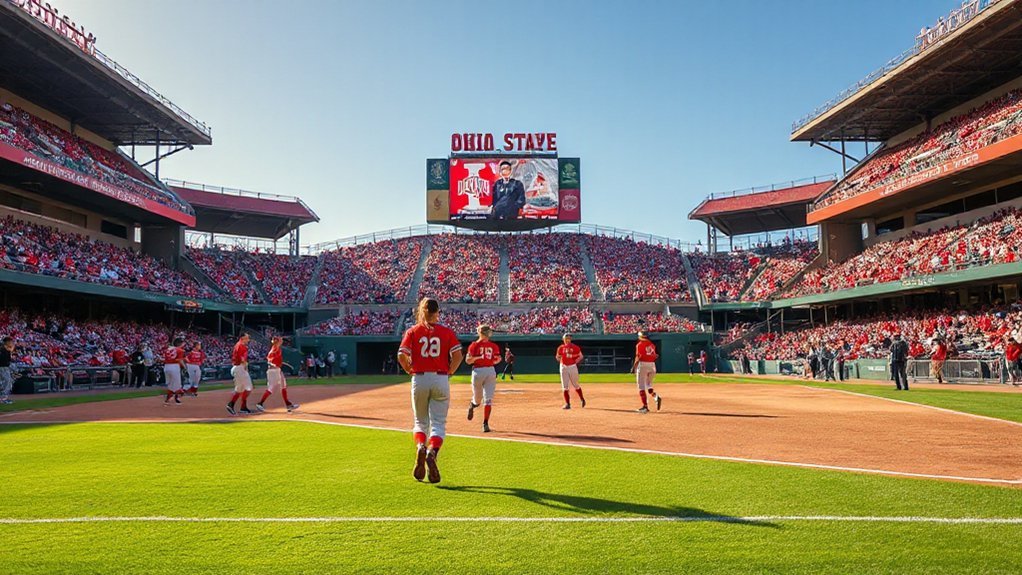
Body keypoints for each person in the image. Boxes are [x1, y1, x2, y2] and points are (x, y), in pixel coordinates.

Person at [397, 298, 463, 484]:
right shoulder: (446, 332)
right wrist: (450, 370)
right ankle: (432, 451)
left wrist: (408, 369)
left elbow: (402, 354)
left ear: (421, 311)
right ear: (437, 312)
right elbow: (458, 355)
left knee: (420, 422)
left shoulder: (413, 331)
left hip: (419, 378)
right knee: (438, 423)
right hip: (440, 378)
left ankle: (420, 446)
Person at [466, 324, 501, 432]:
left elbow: (498, 359)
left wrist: (495, 360)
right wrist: (479, 357)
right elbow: (468, 360)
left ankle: (485, 423)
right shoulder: (474, 345)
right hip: (478, 371)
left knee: (488, 399)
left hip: (490, 371)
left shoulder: (493, 346)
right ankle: (472, 405)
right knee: (477, 399)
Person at [257, 336, 300, 413]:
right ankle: (260, 403)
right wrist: (274, 364)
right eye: (280, 340)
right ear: (277, 341)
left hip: (276, 370)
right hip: (273, 371)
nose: (282, 341)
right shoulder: (275, 349)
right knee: (272, 388)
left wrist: (278, 364)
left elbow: (272, 360)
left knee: (283, 386)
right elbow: (270, 361)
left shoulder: (276, 349)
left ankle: (288, 405)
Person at [630, 331, 662, 413]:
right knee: (648, 385)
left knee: (641, 386)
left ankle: (645, 407)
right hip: (652, 365)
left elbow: (638, 357)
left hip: (643, 364)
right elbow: (656, 356)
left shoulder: (639, 344)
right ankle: (655, 396)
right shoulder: (652, 344)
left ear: (640, 336)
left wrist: (634, 367)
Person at [556, 333, 586, 409]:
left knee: (576, 384)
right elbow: (557, 357)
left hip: (572, 366)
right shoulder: (560, 348)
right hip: (563, 366)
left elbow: (581, 356)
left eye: (569, 338)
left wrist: (574, 362)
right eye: (566, 338)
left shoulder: (575, 347)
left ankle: (582, 399)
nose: (567, 340)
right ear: (563, 339)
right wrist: (562, 362)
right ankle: (567, 404)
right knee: (565, 386)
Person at [226, 333, 254, 415]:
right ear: (242, 338)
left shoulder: (240, 345)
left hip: (239, 368)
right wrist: (245, 365)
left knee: (243, 389)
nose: (248, 340)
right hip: (239, 368)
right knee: (246, 388)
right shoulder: (240, 346)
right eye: (247, 338)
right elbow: (242, 359)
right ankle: (233, 405)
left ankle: (241, 407)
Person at [162, 337, 186, 405]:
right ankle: (177, 398)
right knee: (178, 385)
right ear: (179, 343)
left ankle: (168, 399)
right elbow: (180, 360)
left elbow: (165, 358)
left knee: (170, 384)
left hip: (166, 366)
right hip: (174, 366)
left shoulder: (168, 349)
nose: (183, 344)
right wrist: (184, 367)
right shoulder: (181, 350)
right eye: (182, 343)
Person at [0, 336, 15, 404]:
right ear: (7, 342)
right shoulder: (3, 348)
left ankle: (3, 398)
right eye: (10, 342)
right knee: (7, 382)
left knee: (5, 382)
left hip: (4, 367)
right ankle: (3, 399)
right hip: (3, 368)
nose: (12, 343)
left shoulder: (5, 349)